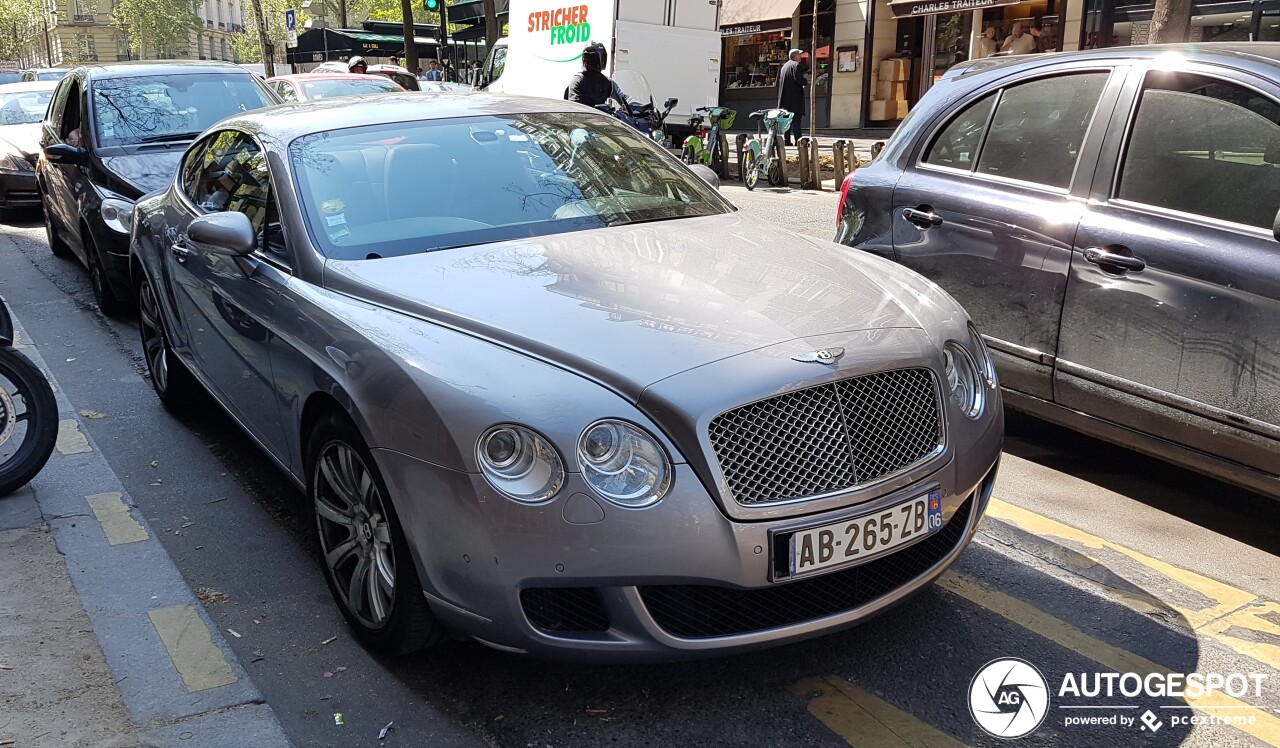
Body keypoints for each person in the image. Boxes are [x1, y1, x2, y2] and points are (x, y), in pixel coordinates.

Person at [565, 41, 633, 109]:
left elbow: (624, 98)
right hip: (583, 118)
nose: (591, 62)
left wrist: (638, 107)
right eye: (589, 59)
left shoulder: (607, 82)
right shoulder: (578, 80)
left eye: (593, 59)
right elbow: (573, 106)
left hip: (601, 118)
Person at [776, 49, 806, 146]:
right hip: (795, 98)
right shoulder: (796, 66)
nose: (800, 56)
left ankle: (786, 140)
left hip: (785, 98)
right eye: (799, 55)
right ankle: (799, 140)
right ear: (795, 56)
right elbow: (799, 80)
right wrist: (805, 81)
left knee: (786, 120)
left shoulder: (784, 67)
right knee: (796, 119)